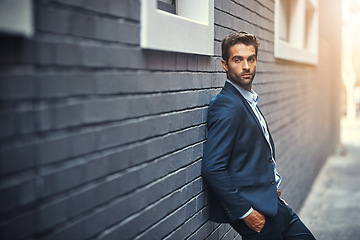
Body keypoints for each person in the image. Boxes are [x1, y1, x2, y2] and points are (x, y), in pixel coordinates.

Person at [201, 31, 316, 240]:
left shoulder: (247, 100)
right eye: (238, 60)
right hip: (256, 217)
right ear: (224, 65)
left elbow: (250, 156)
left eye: (251, 59)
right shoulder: (228, 106)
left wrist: (270, 191)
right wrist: (247, 214)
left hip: (272, 205)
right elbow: (213, 168)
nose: (246, 66)